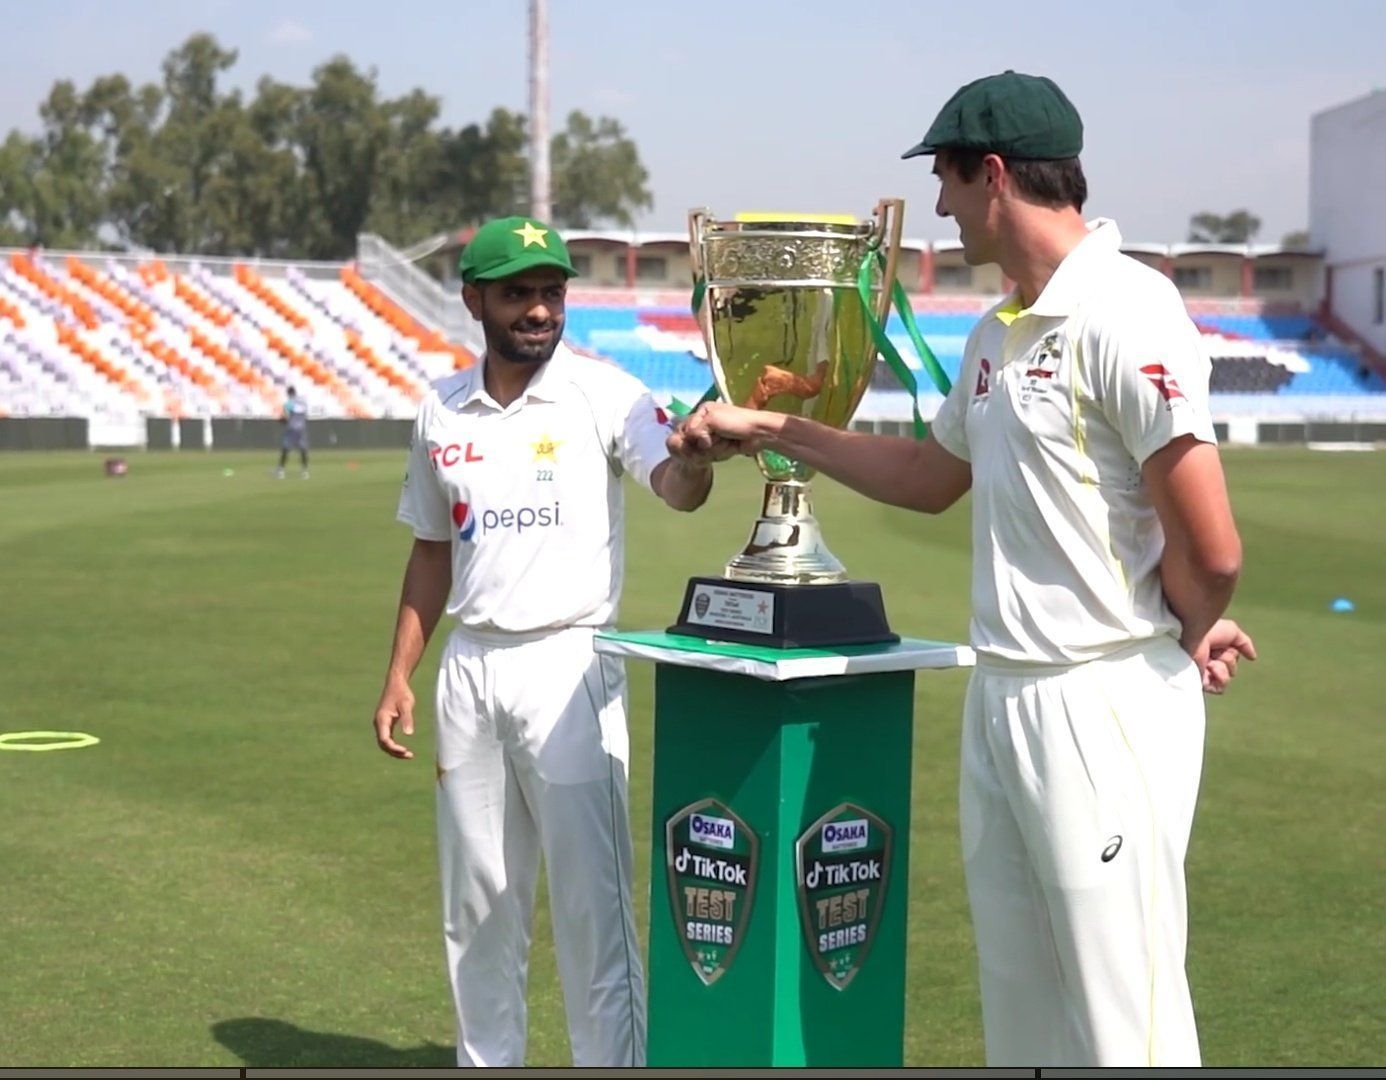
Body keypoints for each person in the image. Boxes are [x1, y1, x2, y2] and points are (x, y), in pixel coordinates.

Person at [669, 71, 1257, 1068]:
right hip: (1005, 695)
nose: (938, 208)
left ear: (992, 174)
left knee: (1128, 1018)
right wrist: (769, 426)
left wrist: (1191, 620)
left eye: (944, 179)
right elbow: (930, 475)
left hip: (1101, 700)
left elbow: (1214, 547)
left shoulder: (1127, 310)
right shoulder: (996, 333)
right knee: (1023, 1008)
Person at [371, 215, 719, 1068]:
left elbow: (674, 483)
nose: (538, 309)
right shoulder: (439, 409)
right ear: (474, 300)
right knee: (479, 909)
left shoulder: (606, 392)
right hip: (470, 669)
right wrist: (399, 675)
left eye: (552, 292)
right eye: (519, 292)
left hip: (571, 664)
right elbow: (430, 549)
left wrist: (699, 459)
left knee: (591, 911)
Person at [276, 385, 309, 478]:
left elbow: (285, 417)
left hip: (291, 428)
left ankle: (281, 470)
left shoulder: (289, 403)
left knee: (285, 449)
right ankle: (305, 471)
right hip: (301, 428)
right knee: (303, 450)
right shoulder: (303, 403)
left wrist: (281, 420)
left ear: (289, 393)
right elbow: (305, 415)